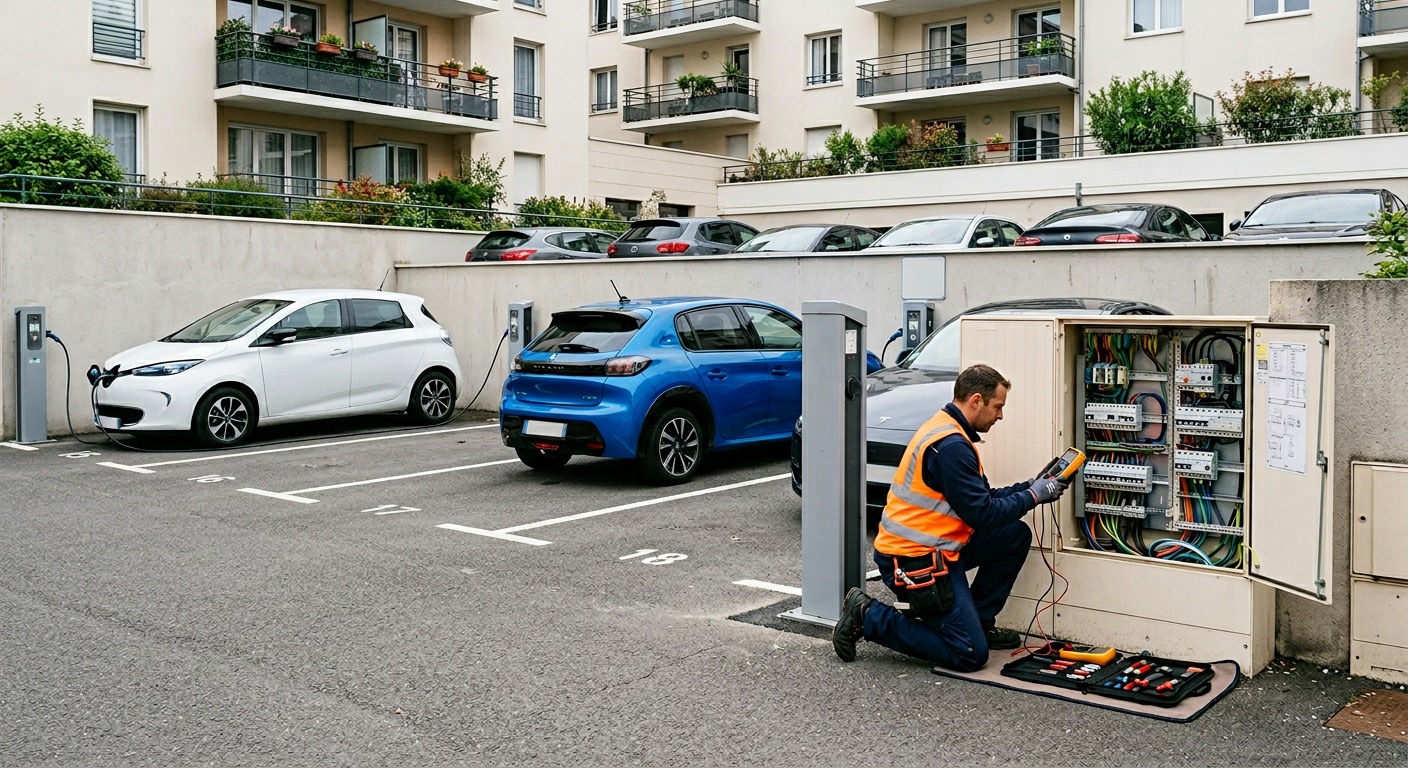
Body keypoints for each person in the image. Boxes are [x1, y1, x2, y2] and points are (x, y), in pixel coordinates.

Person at [831, 364, 1069, 672]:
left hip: (941, 548)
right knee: (969, 653)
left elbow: (980, 499)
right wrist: (1035, 496)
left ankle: (978, 623)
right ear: (976, 400)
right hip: (913, 560)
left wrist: (1031, 486)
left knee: (1014, 535)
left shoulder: (949, 428)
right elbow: (982, 514)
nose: (1000, 416)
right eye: (997, 407)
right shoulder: (952, 446)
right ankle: (868, 615)